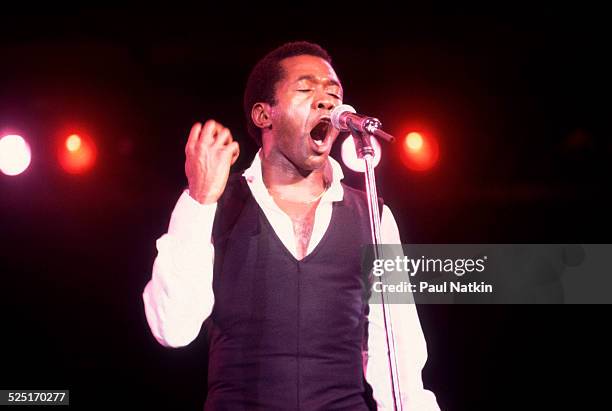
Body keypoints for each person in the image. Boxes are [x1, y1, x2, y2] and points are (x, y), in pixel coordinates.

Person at [143, 41, 440, 410]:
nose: (326, 101)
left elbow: (401, 363)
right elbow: (173, 328)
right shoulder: (216, 205)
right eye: (306, 89)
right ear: (264, 115)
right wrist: (199, 200)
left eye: (334, 93)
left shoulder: (373, 216)